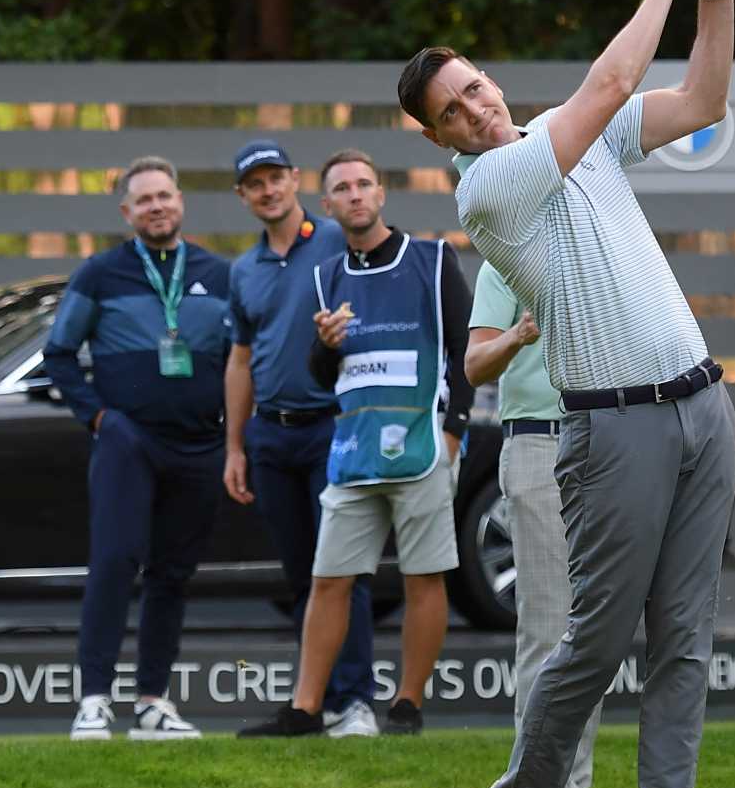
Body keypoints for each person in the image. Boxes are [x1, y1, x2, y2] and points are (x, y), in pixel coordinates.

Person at [415, 0, 735, 788]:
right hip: (609, 433)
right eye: (452, 106)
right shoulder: (491, 185)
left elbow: (703, 98)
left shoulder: (582, 141)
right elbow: (604, 89)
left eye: (475, 84)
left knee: (683, 646)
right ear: (438, 137)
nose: (475, 104)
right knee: (592, 649)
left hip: (702, 407)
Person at [238, 150, 475, 738]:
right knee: (328, 580)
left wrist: (453, 430)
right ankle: (305, 708)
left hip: (422, 445)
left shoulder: (433, 258)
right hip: (351, 451)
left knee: (424, 576)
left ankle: (407, 705)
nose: (355, 195)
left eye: (364, 184)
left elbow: (465, 351)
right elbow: (325, 376)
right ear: (327, 204)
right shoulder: (327, 275)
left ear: (381, 192)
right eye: (342, 188)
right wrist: (324, 345)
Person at [45, 156, 231, 741]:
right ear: (127, 212)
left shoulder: (218, 274)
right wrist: (101, 418)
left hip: (200, 445)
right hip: (129, 443)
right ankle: (94, 701)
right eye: (144, 199)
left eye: (165, 196)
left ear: (181, 203)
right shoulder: (99, 274)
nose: (156, 207)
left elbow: (241, 360)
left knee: (172, 574)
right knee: (114, 563)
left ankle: (152, 703)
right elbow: (59, 354)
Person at [221, 138, 381, 738]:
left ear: (294, 182)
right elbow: (240, 360)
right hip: (272, 436)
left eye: (275, 178)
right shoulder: (244, 269)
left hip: (335, 427)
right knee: (299, 574)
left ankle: (355, 702)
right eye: (254, 184)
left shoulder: (340, 240)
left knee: (342, 570)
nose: (267, 190)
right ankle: (313, 702)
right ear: (244, 196)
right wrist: (235, 445)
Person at [465, 258, 626, 788]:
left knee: (597, 630)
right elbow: (476, 363)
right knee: (547, 627)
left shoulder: (602, 252)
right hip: (537, 441)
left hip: (609, 438)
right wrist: (518, 335)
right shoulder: (503, 261)